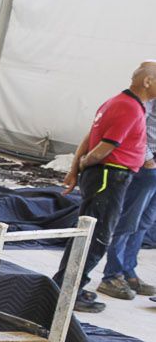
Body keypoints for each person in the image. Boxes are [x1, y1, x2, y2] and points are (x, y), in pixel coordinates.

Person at [61, 61, 156, 312]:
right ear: (147, 81)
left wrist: (77, 168)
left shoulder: (122, 102)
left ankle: (70, 287)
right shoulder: (130, 107)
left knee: (96, 233)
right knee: (98, 235)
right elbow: (104, 144)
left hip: (115, 173)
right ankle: (73, 288)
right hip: (113, 174)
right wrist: (83, 164)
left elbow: (94, 137)